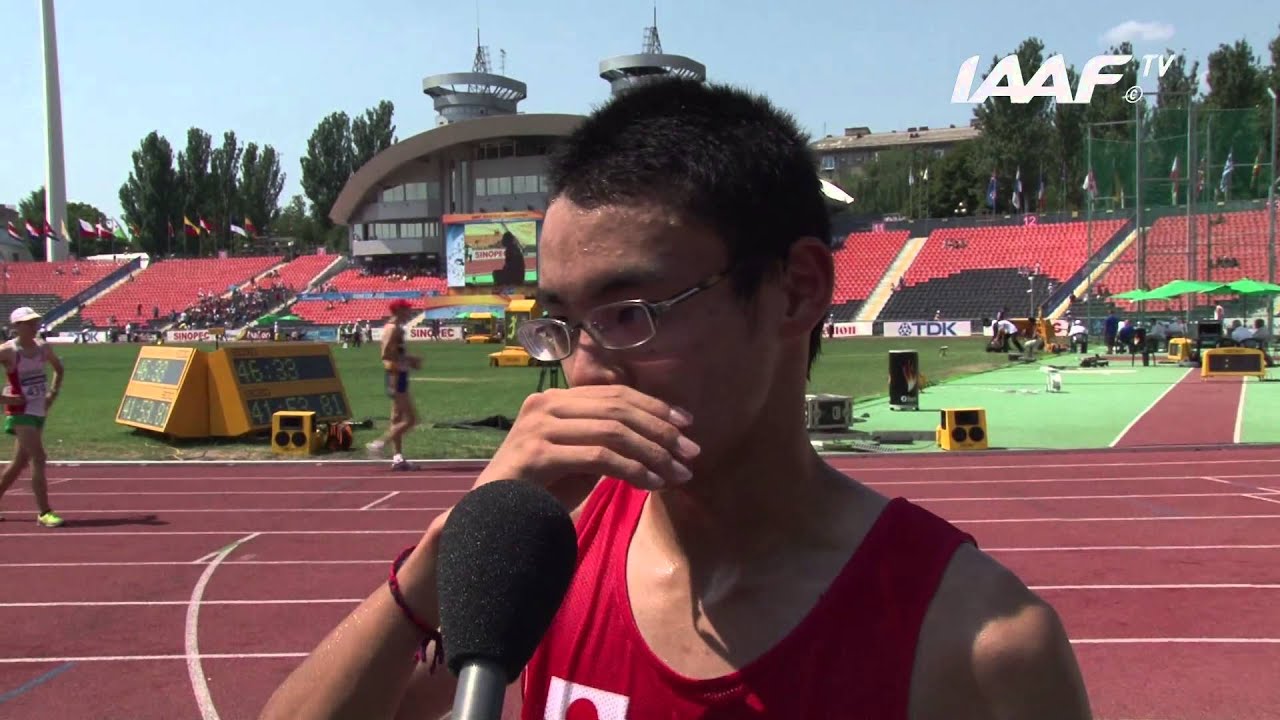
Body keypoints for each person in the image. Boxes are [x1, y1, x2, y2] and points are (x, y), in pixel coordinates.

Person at [261, 79, 1091, 720]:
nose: (583, 375)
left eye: (629, 314)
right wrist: (458, 550)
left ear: (796, 291)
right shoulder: (549, 559)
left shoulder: (979, 643)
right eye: (562, 323)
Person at [0, 307, 65, 527]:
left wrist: (52, 393)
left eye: (36, 321)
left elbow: (59, 368)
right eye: (28, 322)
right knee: (39, 457)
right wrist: (6, 400)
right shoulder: (8, 351)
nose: (34, 325)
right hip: (20, 413)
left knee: (19, 463)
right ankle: (44, 512)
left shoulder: (43, 347)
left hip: (39, 410)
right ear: (16, 327)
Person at [366, 299, 420, 470]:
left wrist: (408, 361)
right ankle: (378, 444)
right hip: (395, 376)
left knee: (396, 418)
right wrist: (409, 360)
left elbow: (395, 353)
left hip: (399, 374)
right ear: (399, 311)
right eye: (407, 310)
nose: (409, 313)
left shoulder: (397, 329)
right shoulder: (392, 329)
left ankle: (398, 458)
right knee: (411, 419)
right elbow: (385, 355)